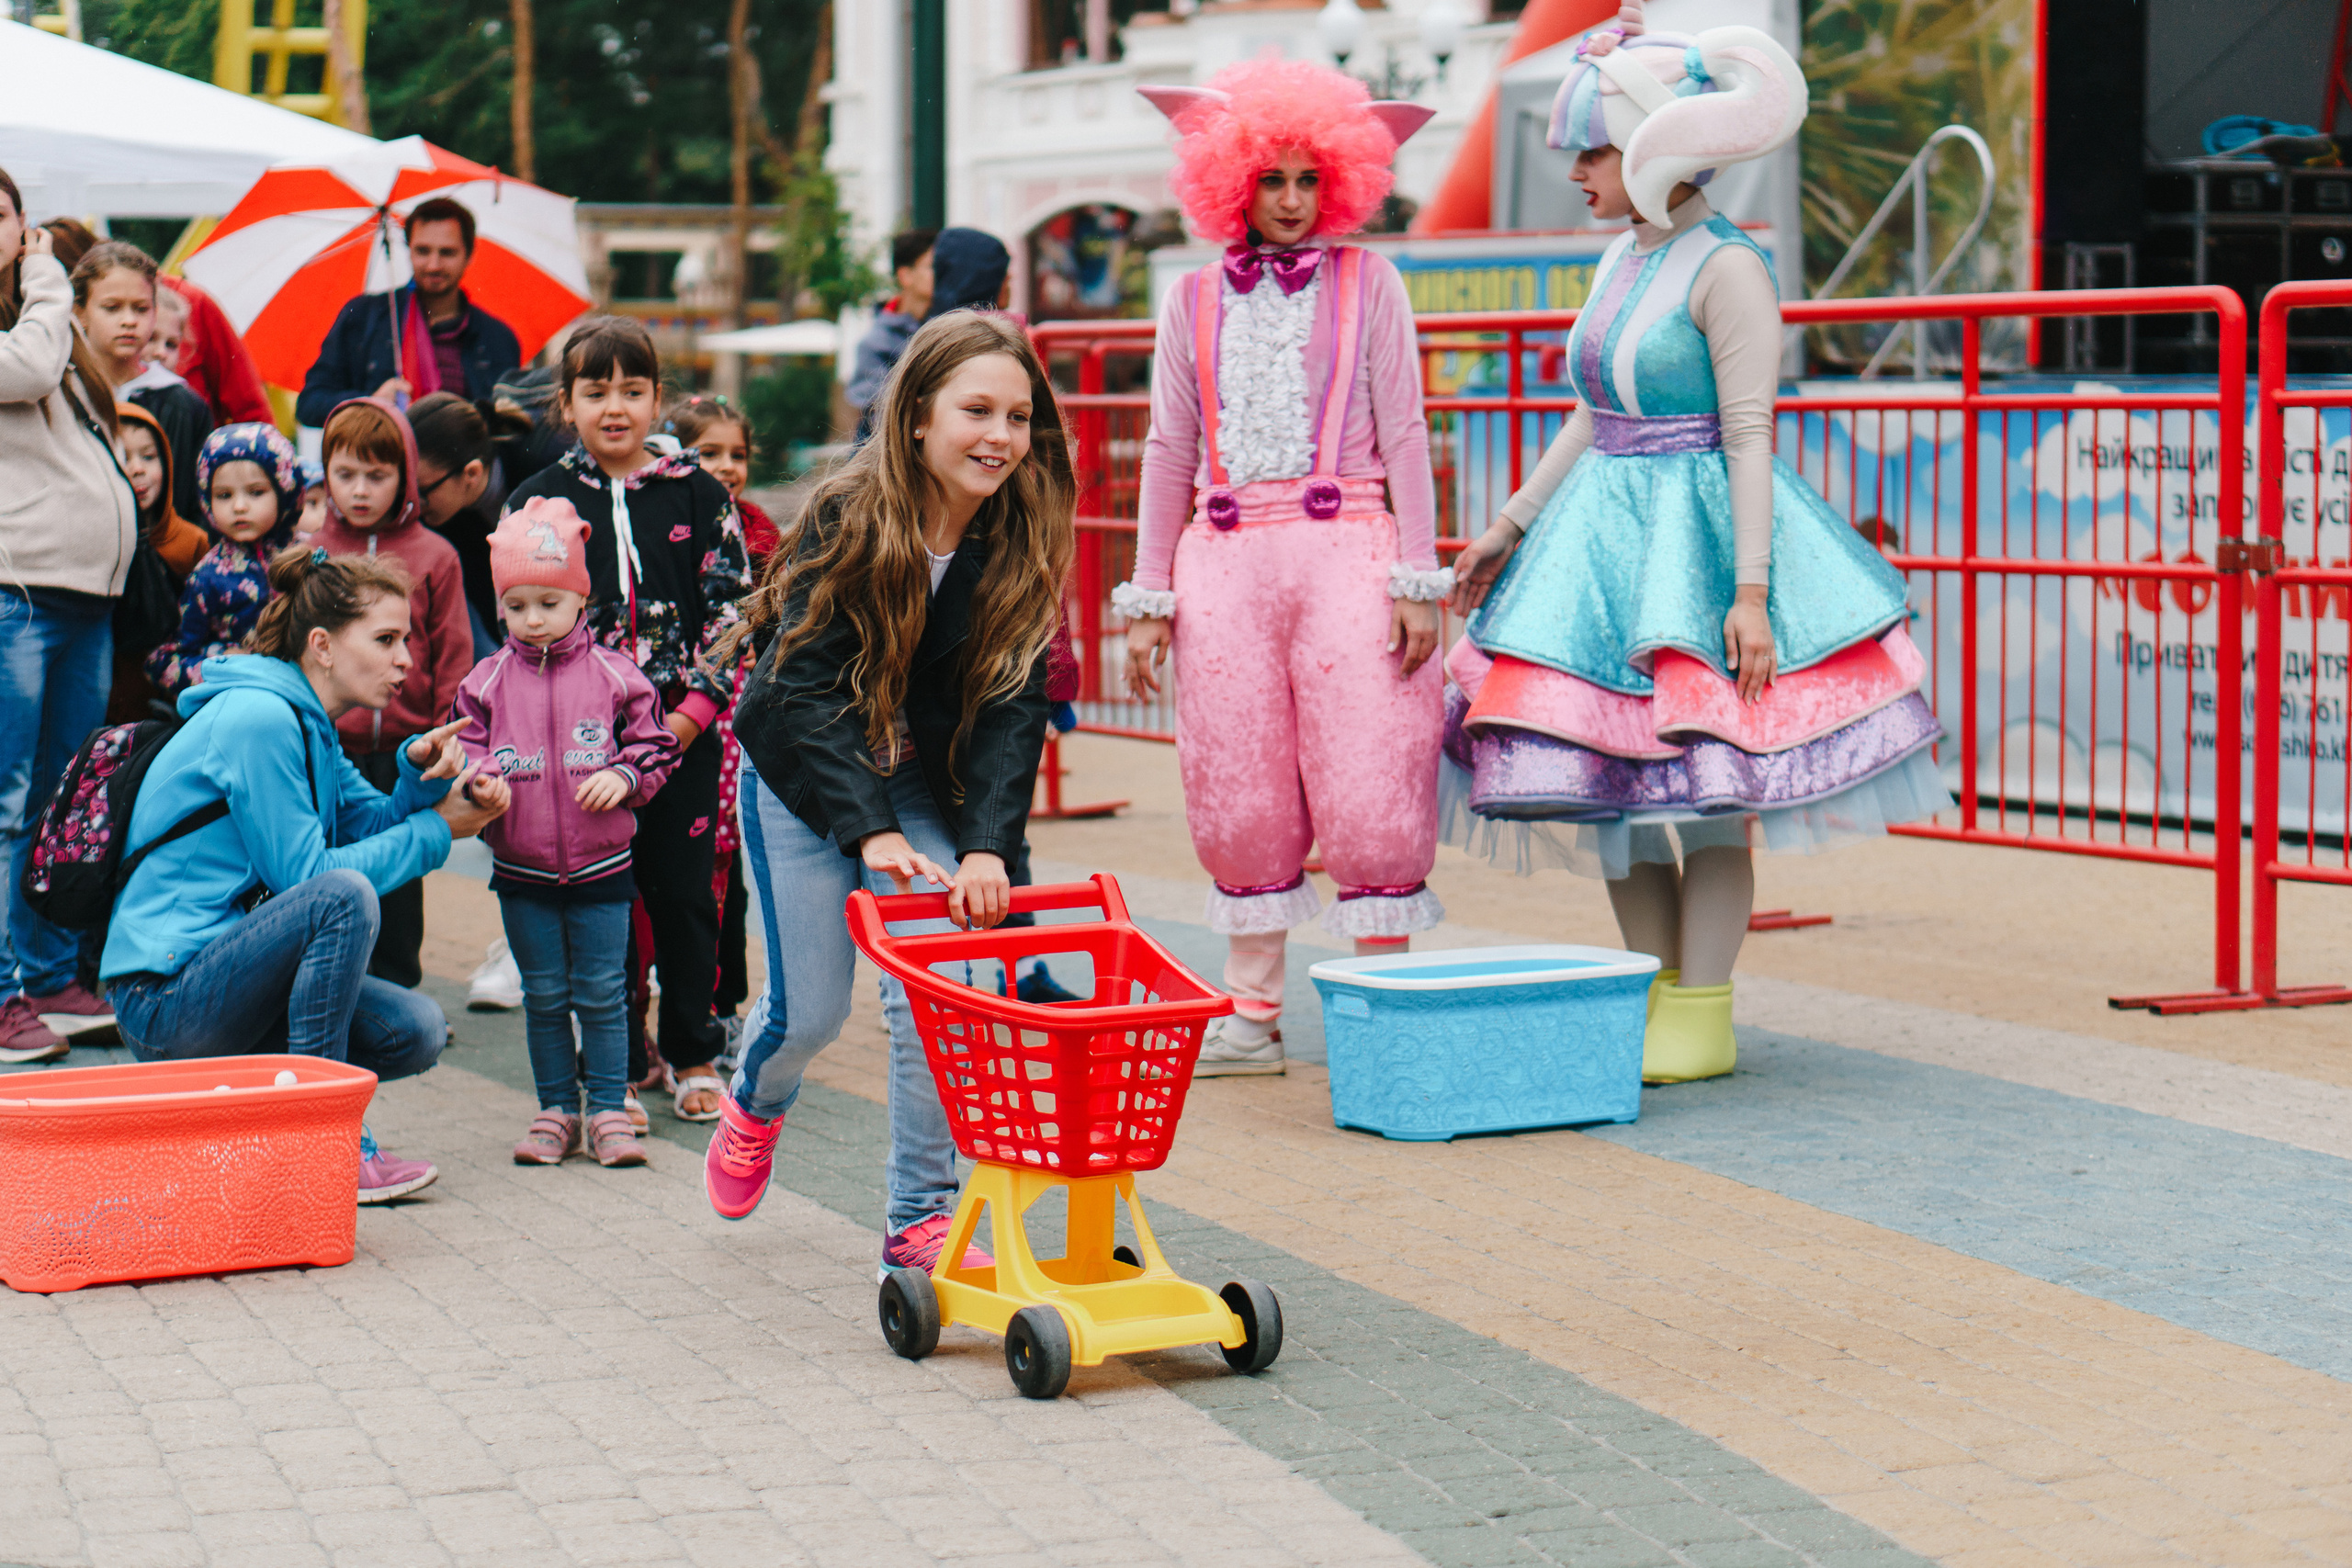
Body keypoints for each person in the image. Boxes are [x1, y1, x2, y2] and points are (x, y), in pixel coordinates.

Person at [1442, 6, 1946, 1083]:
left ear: (1659, 149)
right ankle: (1659, 993)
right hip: (1601, 544)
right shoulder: (1622, 256)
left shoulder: (1730, 267)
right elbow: (1592, 407)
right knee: (1614, 799)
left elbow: (1750, 428)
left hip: (1697, 544)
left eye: (1595, 149)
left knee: (1711, 801)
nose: (1578, 171)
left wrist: (1751, 593)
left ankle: (1702, 1009)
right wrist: (1508, 526)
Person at [714, 310, 1072, 1277]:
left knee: (946, 991)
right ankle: (755, 1098)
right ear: (917, 415)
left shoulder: (1018, 535)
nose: (999, 436)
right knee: (810, 1014)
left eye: (1018, 415)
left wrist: (990, 846)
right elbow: (801, 691)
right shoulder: (847, 515)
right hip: (804, 769)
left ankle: (920, 1215)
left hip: (914, 781)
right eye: (976, 410)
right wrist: (866, 833)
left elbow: (1009, 707)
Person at [1117, 63, 1452, 1077]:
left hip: (1350, 544)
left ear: (1341, 184)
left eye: (1311, 179)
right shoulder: (1188, 298)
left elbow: (1405, 432)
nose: (1295, 202)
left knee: (1368, 770)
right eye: (1273, 180)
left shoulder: (1373, 281)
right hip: (1220, 560)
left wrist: (1417, 577)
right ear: (1235, 186)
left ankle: (1385, 1002)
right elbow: (1168, 449)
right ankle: (1251, 1011)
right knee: (1238, 783)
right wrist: (1148, 600)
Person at [102, 549, 511, 1201]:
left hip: (221, 977)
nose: (405, 658)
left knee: (417, 1028)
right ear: (321, 645)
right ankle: (320, 1142)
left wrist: (414, 772)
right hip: (165, 997)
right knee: (341, 895)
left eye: (405, 639)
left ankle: (254, 1124)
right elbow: (309, 880)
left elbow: (368, 822)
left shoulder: (306, 722)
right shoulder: (259, 719)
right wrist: (440, 830)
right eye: (385, 639)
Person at [501, 317, 752, 1124]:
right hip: (577, 750)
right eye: (596, 391)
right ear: (565, 403)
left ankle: (691, 1050)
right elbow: (517, 621)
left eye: (633, 391)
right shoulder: (537, 502)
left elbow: (735, 618)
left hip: (682, 738)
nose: (616, 408)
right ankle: (615, 1056)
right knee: (598, 901)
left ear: (657, 400)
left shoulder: (700, 494)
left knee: (683, 899)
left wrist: (690, 718)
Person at [452, 498, 682, 1168]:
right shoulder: (485, 680)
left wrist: (626, 776)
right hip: (521, 871)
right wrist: (480, 778)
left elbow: (656, 745)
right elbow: (465, 746)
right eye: (516, 604)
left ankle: (609, 1105)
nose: (532, 619)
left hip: (602, 867)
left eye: (548, 602)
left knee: (604, 992)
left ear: (580, 596)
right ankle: (556, 1108)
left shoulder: (614, 672)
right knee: (544, 993)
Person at [0, 170, 141, 1062]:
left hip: (85, 598)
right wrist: (49, 280)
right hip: (14, 594)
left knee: (61, 802)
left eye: (1, 208)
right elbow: (27, 369)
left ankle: (48, 973)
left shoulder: (40, 314)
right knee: (7, 803)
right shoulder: (34, 326)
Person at [306, 398, 473, 991]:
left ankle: (396, 985)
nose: (358, 490)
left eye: (376, 475)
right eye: (344, 473)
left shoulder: (435, 555)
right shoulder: (313, 552)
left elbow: (453, 652)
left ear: (405, 473)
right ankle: (334, 984)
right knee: (333, 863)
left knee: (400, 872)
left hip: (408, 748)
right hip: (332, 741)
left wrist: (447, 737)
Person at [671, 394, 779, 1044]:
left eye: (736, 454)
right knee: (690, 865)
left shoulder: (760, 528)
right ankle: (680, 995)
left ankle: (724, 999)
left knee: (730, 864)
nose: (727, 466)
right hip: (690, 704)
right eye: (709, 453)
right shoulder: (673, 519)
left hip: (744, 709)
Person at [296, 197, 523, 424]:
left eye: (447, 253)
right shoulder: (363, 318)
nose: (434, 265)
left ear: (469, 254)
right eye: (423, 251)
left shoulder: (498, 339)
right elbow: (310, 404)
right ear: (409, 250)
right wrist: (369, 403)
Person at [148, 424, 306, 695]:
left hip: (306, 702)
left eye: (256, 492)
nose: (239, 506)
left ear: (285, 489)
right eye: (224, 495)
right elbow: (167, 661)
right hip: (237, 707)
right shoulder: (209, 575)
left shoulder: (309, 560)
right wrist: (222, 665)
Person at [70, 241, 212, 524]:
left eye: (141, 308)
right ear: (80, 312)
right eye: (112, 308)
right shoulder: (63, 392)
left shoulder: (182, 404)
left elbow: (192, 506)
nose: (128, 320)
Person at [106, 402, 211, 724]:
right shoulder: (102, 543)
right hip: (115, 691)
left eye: (149, 457)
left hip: (171, 695)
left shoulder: (190, 541)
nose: (137, 468)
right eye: (123, 457)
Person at [408, 391, 503, 658]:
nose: (417, 503)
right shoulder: (442, 522)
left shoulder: (535, 474)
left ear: (472, 473)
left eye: (424, 490)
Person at [158, 276, 275, 427]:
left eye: (171, 344)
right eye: (115, 307)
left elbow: (249, 406)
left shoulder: (193, 301)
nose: (160, 352)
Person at [845, 228, 937, 417]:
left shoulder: (944, 324)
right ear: (905, 276)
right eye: (932, 266)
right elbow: (878, 413)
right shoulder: (875, 343)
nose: (940, 274)